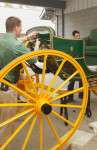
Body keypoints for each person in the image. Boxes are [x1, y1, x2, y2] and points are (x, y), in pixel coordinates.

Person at [0, 16, 40, 150]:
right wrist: (37, 46)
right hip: (7, 89)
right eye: (21, 27)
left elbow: (14, 41)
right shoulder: (18, 46)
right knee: (6, 127)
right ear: (16, 28)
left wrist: (28, 37)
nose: (21, 29)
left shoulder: (2, 38)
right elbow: (33, 60)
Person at [67, 30, 83, 101]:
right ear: (73, 36)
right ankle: (70, 97)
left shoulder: (81, 43)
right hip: (73, 63)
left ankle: (81, 95)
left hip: (80, 62)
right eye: (77, 36)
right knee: (72, 80)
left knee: (81, 80)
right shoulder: (71, 43)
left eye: (79, 35)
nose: (78, 37)